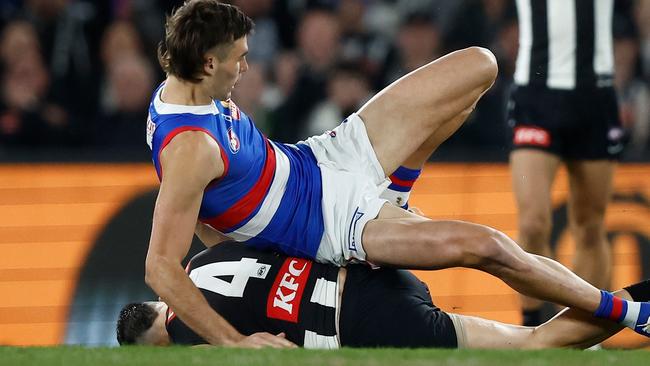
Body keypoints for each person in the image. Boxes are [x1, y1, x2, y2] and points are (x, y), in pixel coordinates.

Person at [144, 0, 650, 348]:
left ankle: (396, 191)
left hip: (324, 157)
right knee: (488, 248)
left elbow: (209, 219)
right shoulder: (190, 148)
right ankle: (630, 312)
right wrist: (234, 342)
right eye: (239, 60)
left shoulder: (183, 90)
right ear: (208, 62)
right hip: (334, 222)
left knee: (479, 65)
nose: (246, 69)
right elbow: (161, 268)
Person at [119, 241, 650, 349]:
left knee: (536, 347)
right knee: (497, 256)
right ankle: (635, 299)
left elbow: (273, 355)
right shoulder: (204, 261)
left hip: (367, 326)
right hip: (375, 273)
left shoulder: (192, 335)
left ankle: (638, 308)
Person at [508, 0, 628, 326]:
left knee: (590, 225)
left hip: (595, 97)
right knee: (532, 223)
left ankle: (583, 331)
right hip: (536, 95)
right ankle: (532, 325)